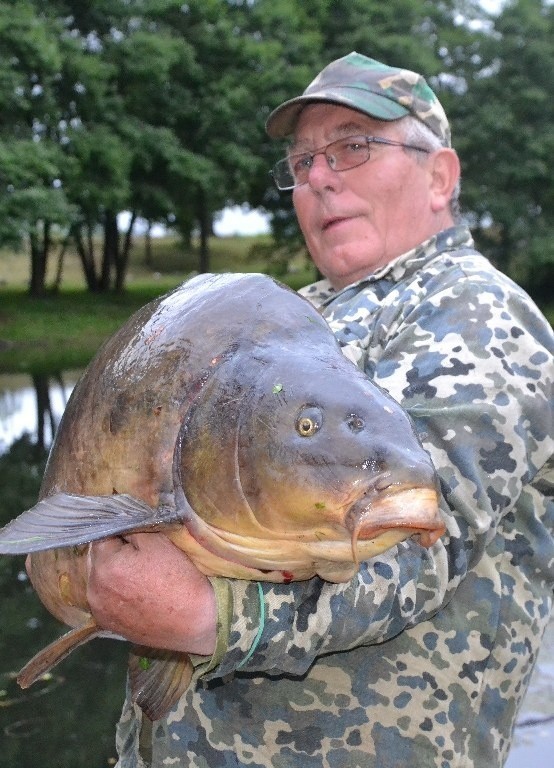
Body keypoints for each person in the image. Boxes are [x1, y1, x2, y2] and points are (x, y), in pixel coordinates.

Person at [87, 52, 554, 767]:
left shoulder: (477, 311)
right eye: (302, 162)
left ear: (441, 176)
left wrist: (207, 615)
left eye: (353, 147)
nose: (319, 177)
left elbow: (418, 544)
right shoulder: (283, 319)